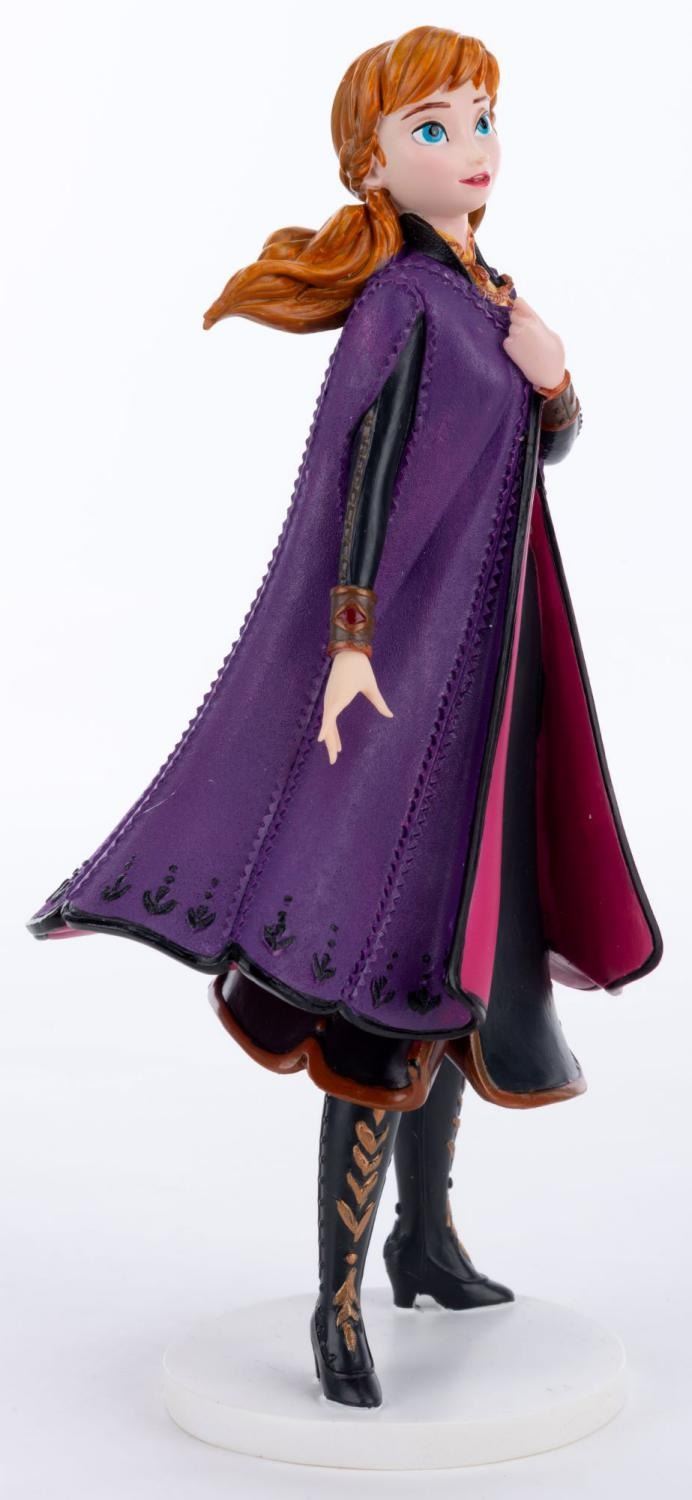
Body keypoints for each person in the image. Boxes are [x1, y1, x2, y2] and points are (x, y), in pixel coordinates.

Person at [27, 26, 662, 1408]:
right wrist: (351, 642)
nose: (472, 146)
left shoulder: (488, 292)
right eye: (434, 127)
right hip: (407, 685)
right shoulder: (402, 301)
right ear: (370, 161)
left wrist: (555, 376)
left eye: (480, 118)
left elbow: (540, 445)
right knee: (380, 977)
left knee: (457, 967)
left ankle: (425, 1245)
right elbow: (362, 471)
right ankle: (337, 1306)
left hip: (489, 682)